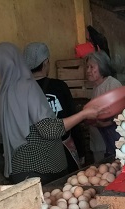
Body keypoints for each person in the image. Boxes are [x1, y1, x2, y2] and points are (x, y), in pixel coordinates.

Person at [0, 42, 100, 185]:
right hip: (42, 168)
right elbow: (49, 129)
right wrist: (84, 114)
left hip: (18, 169)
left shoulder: (3, 92)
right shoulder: (28, 86)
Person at [23, 42, 85, 173]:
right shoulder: (59, 87)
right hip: (62, 154)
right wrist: (81, 151)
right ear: (46, 63)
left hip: (31, 158)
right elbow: (73, 121)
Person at [86, 50, 122, 162]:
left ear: (101, 67)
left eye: (92, 67)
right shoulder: (96, 87)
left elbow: (120, 115)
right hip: (99, 143)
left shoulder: (112, 85)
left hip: (111, 143)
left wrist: (104, 123)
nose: (88, 71)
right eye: (87, 67)